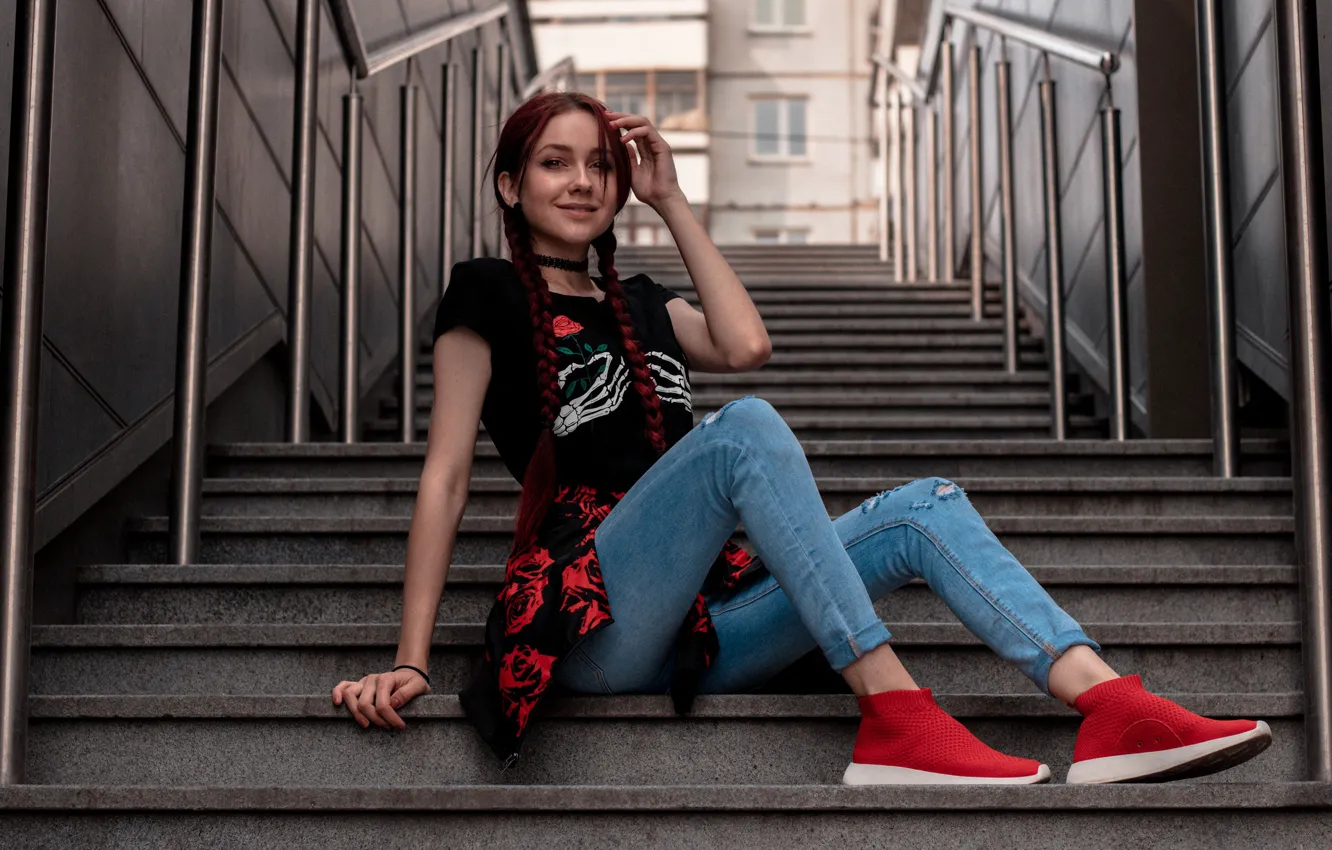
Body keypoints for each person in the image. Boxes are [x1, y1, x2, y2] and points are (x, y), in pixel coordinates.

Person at [332, 91, 1272, 785]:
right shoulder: (484, 293)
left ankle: (1109, 707)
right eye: (552, 162)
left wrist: (671, 202)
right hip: (595, 621)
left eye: (599, 166)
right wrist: (413, 658)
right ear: (510, 181)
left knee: (924, 508)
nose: (581, 181)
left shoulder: (643, 304)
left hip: (706, 627)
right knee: (743, 435)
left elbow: (747, 345)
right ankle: (896, 714)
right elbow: (446, 478)